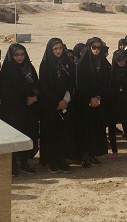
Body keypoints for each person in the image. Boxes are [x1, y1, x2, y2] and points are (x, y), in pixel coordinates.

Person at [1, 44, 40, 176]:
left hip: (30, 108)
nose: (20, 57)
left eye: (22, 54)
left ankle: (24, 162)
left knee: (28, 134)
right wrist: (22, 100)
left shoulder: (28, 67)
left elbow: (37, 84)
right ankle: (12, 165)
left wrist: (35, 97)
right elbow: (7, 91)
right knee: (14, 137)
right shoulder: (7, 69)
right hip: (14, 109)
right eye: (16, 55)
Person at [39, 38, 75, 174]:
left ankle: (62, 160)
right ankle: (51, 161)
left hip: (65, 103)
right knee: (51, 133)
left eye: (60, 48)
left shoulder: (67, 62)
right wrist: (57, 101)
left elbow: (71, 82)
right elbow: (44, 86)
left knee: (64, 133)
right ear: (50, 50)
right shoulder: (46, 64)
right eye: (55, 49)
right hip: (50, 105)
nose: (59, 51)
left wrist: (65, 99)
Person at [75, 37, 110, 169]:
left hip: (98, 102)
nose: (96, 50)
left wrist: (99, 97)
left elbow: (107, 82)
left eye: (98, 47)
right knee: (84, 130)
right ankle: (84, 156)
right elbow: (80, 84)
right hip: (85, 103)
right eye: (94, 47)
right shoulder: (82, 64)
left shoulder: (104, 64)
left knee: (95, 130)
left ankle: (92, 154)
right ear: (89, 48)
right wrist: (90, 98)